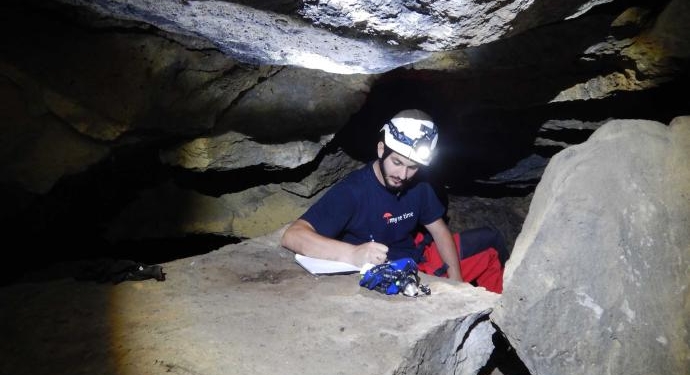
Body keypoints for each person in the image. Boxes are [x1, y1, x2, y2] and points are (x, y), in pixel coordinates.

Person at [280, 109, 505, 293]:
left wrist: (457, 281)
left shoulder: (420, 185)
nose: (403, 175)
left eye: (413, 167)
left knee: (492, 241)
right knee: (486, 256)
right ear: (381, 149)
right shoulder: (353, 191)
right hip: (391, 274)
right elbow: (293, 235)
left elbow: (439, 230)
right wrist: (352, 254)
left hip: (417, 255)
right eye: (397, 162)